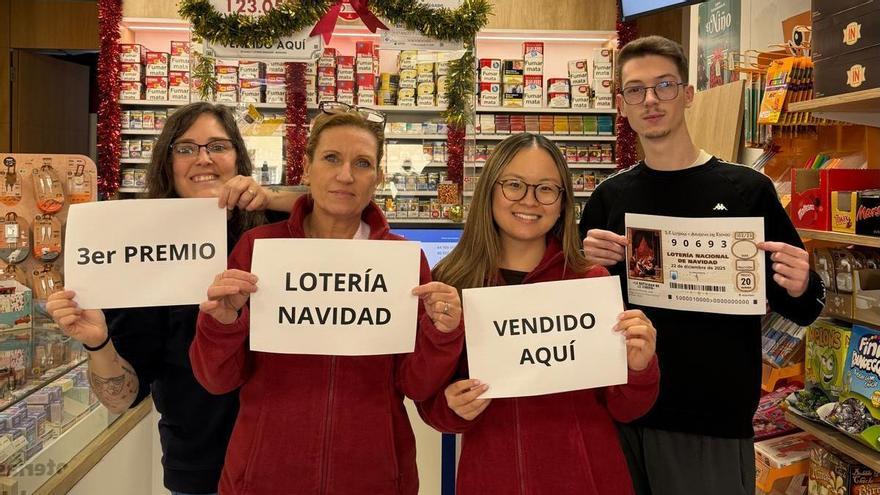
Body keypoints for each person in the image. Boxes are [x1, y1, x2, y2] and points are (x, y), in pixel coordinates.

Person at [578, 36, 825, 495]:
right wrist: (584, 265)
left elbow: (806, 308)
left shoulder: (747, 191)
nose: (651, 100)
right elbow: (583, 307)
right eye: (636, 90)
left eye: (664, 85)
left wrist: (802, 282)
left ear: (688, 94)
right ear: (622, 104)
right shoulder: (609, 199)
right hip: (622, 413)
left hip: (711, 423)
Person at [190, 102, 465, 495]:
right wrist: (223, 323)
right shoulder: (259, 249)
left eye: (363, 163)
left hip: (373, 477)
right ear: (306, 168)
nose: (345, 175)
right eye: (331, 158)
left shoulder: (402, 260)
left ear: (379, 177)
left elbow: (415, 384)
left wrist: (443, 333)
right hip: (266, 475)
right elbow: (216, 379)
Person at [45, 101, 300, 495]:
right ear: (168, 163)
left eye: (218, 146)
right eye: (185, 148)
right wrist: (97, 341)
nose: (203, 159)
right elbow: (123, 397)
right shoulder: (141, 249)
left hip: (286, 459)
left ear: (239, 157)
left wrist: (271, 196)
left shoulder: (277, 227)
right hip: (201, 467)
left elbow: (347, 202)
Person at [416, 133, 660, 494]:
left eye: (546, 189)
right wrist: (451, 407)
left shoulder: (588, 281)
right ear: (490, 190)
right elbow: (427, 397)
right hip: (491, 478)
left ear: (563, 203)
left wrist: (639, 367)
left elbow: (627, 408)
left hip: (587, 478)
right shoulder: (453, 284)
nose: (529, 200)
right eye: (514, 185)